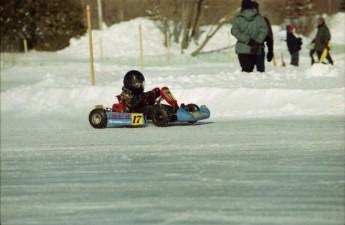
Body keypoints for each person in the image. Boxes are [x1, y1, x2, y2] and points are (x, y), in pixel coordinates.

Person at [231, 0, 268, 72]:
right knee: (254, 74)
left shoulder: (238, 19)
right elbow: (264, 31)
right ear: (252, 7)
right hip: (255, 49)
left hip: (242, 49)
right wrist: (257, 42)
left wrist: (248, 40)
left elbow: (235, 32)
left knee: (246, 72)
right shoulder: (259, 18)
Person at [251, 1, 274, 72]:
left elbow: (269, 37)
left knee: (259, 73)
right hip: (247, 49)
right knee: (247, 74)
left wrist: (270, 51)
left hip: (258, 49)